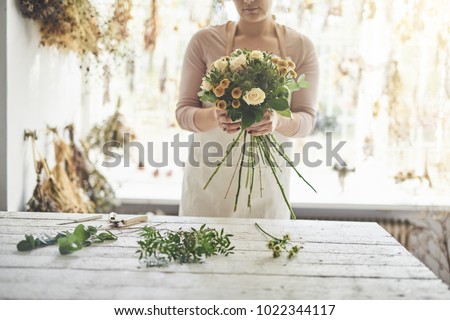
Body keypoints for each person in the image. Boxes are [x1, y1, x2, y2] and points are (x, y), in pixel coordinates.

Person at [176, 0, 319, 219]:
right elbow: (183, 113)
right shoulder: (204, 41)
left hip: (267, 184)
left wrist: (278, 121)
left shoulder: (300, 46)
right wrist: (214, 116)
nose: (248, 1)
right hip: (208, 180)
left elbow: (307, 119)